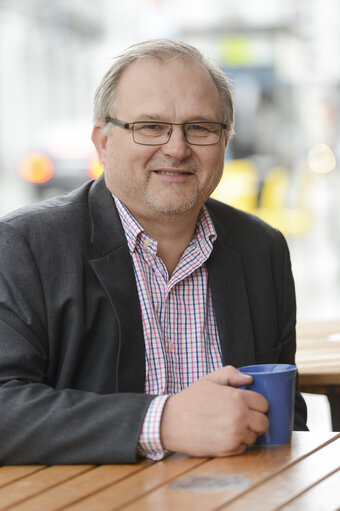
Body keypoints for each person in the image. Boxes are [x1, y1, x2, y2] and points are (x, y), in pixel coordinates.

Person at [0, 39, 307, 465]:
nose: (177, 148)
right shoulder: (25, 248)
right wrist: (161, 422)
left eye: (199, 127)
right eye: (149, 126)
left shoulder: (262, 249)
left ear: (225, 140)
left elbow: (285, 421)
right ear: (103, 142)